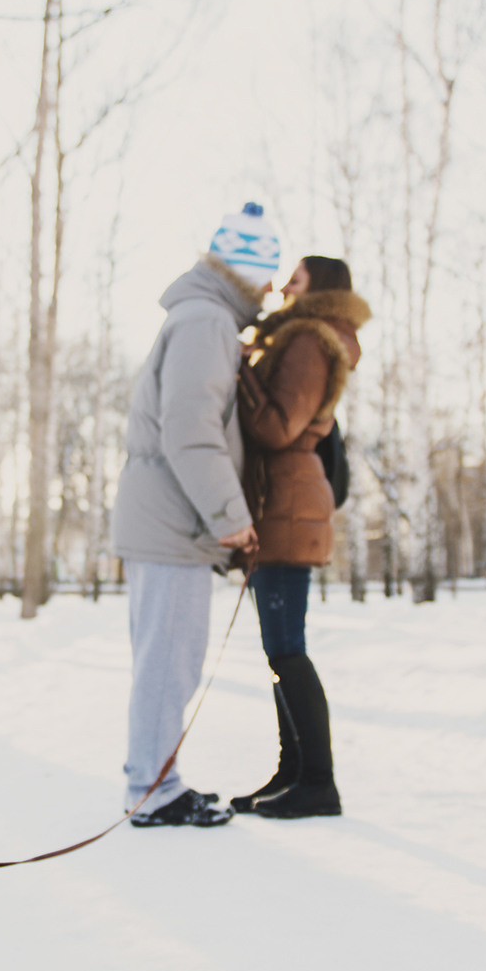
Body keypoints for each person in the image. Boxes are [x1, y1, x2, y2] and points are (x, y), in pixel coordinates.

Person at [109, 203, 280, 827]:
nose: (271, 289)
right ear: (247, 273)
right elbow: (190, 427)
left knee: (167, 659)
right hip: (175, 522)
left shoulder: (201, 317)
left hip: (165, 519)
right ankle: (152, 792)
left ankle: (157, 781)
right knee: (168, 661)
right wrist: (229, 515)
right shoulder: (207, 321)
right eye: (267, 274)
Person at [230, 255, 370, 819]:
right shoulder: (300, 336)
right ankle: (293, 772)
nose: (284, 287)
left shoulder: (310, 340)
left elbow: (276, 426)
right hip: (283, 503)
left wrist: (239, 370)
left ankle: (319, 782)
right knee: (280, 651)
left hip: (289, 505)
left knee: (288, 650)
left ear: (322, 291)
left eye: (297, 279)